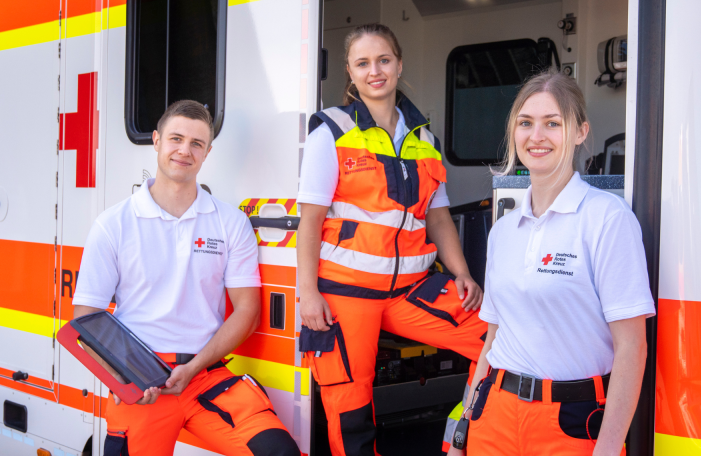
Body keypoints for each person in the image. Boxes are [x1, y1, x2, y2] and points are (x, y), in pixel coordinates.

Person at [297, 23, 488, 456]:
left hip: (411, 289)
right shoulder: (331, 131)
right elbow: (310, 221)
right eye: (363, 63)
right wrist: (307, 293)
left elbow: (438, 219)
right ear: (350, 71)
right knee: (350, 410)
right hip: (346, 293)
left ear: (399, 64)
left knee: (499, 333)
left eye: (383, 60)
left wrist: (463, 274)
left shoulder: (425, 139)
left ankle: (461, 435)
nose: (374, 71)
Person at [71, 100, 301, 456]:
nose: (184, 150)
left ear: (208, 152)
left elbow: (246, 311)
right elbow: (86, 318)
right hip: (142, 380)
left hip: (206, 374)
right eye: (176, 138)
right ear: (157, 140)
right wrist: (119, 377)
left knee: (280, 452)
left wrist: (194, 367)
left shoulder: (230, 222)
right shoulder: (114, 223)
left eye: (196, 143)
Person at [452, 71, 654, 456]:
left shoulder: (607, 219)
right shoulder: (504, 231)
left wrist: (609, 447)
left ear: (580, 132)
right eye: (525, 123)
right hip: (492, 416)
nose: (536, 136)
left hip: (569, 423)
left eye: (553, 123)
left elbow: (632, 347)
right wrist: (461, 432)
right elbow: (492, 340)